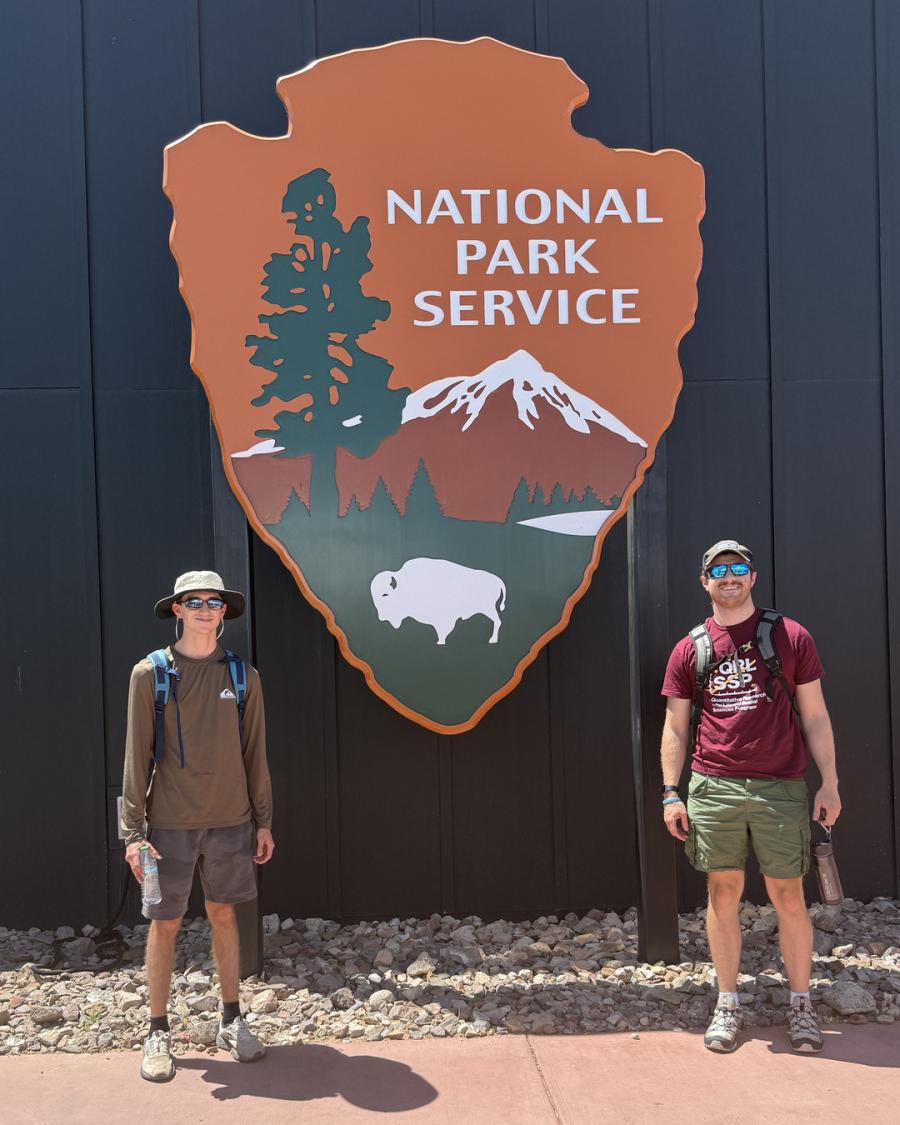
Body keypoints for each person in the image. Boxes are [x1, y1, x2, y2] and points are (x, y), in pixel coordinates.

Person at [660, 540, 840, 1054]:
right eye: (719, 570)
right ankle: (727, 1002)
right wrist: (671, 793)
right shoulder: (689, 647)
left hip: (780, 786)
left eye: (738, 568)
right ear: (705, 582)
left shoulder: (790, 636)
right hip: (712, 785)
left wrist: (829, 781)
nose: (729, 576)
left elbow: (816, 714)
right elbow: (675, 726)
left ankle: (801, 1003)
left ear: (753, 577)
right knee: (722, 893)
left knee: (788, 894)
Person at [121, 570, 275, 1082]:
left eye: (214, 601)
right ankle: (157, 1030)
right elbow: (135, 759)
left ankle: (232, 1019)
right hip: (167, 827)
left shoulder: (243, 676)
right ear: (179, 610)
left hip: (231, 823)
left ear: (224, 612)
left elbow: (256, 755)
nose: (206, 609)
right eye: (194, 601)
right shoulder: (151, 674)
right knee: (164, 924)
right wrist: (134, 834)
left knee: (224, 916)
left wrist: (263, 821)